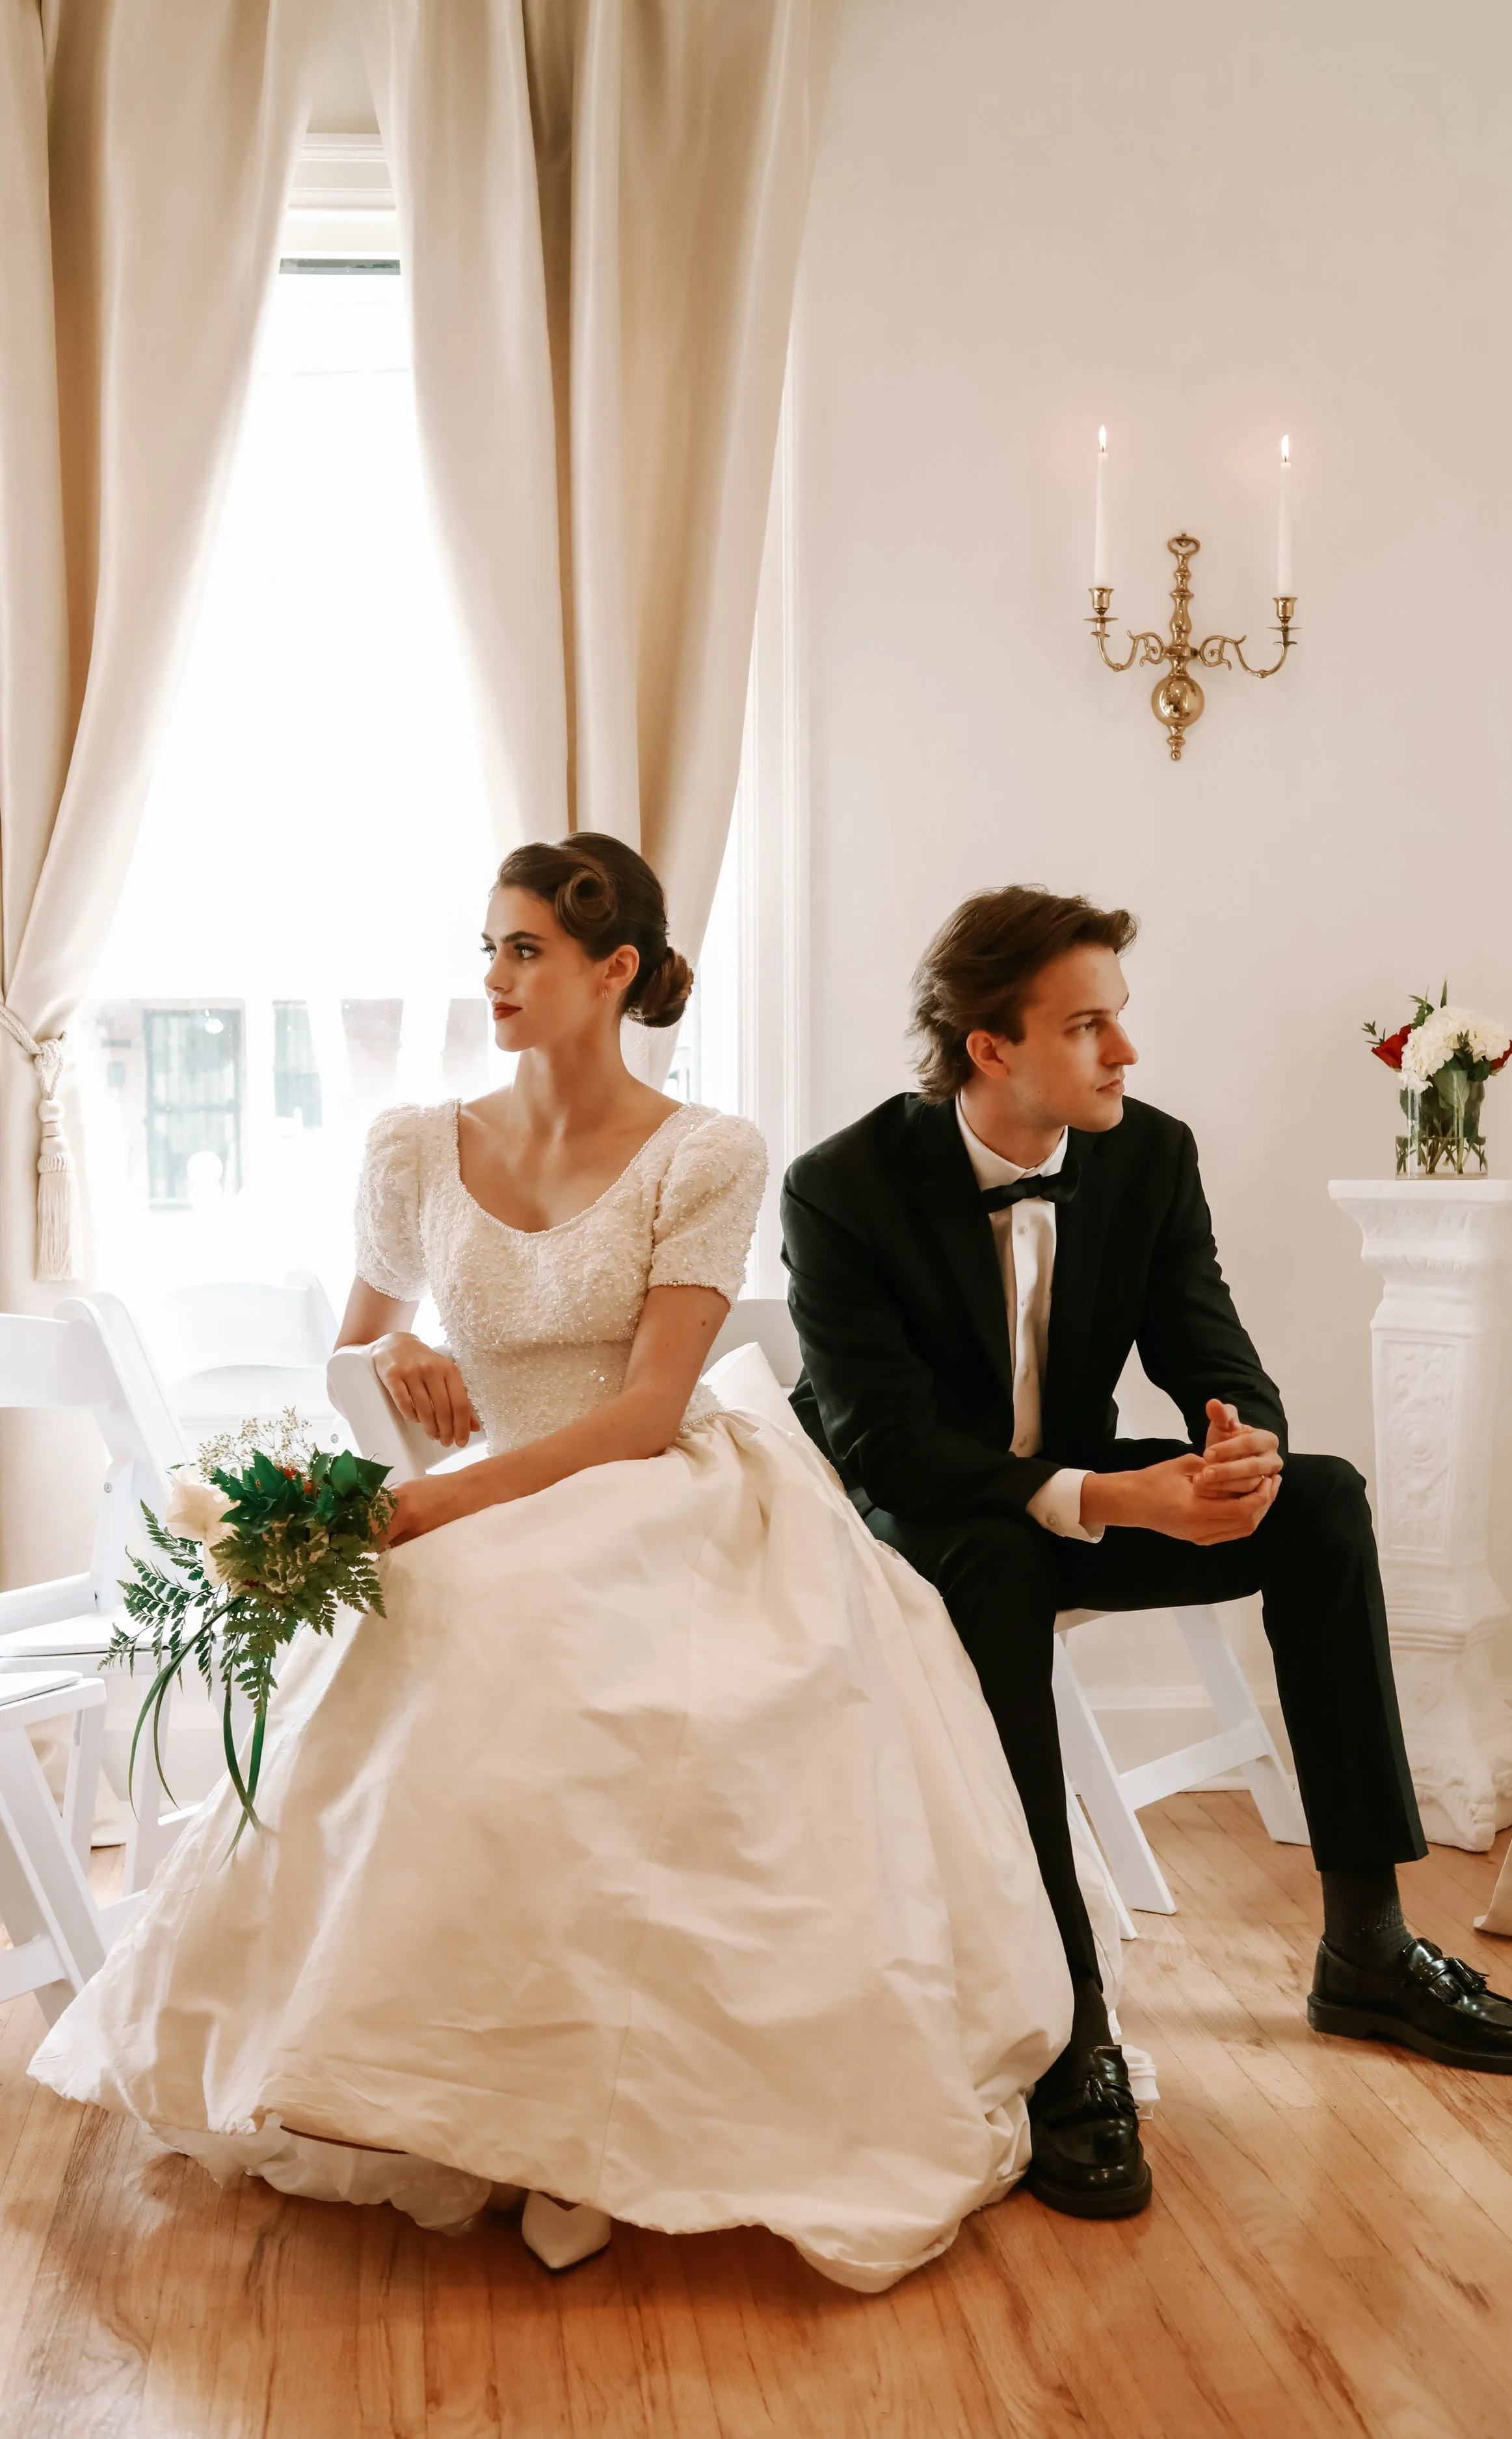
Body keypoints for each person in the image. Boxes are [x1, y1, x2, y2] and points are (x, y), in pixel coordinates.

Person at [31, 837, 1085, 2294]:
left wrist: (442, 1514)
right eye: (489, 947)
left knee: (526, 1636)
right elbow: (352, 1341)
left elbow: (649, 1409)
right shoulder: (413, 1143)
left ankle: (589, 2133)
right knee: (444, 1633)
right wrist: (394, 1348)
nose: (494, 979)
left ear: (616, 973)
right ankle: (436, 2093)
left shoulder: (706, 1149)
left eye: (525, 951)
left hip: (655, 1488)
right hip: (488, 1494)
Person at [780, 883, 1512, 2222]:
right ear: (990, 1046)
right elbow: (888, 1453)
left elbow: (1205, 1339)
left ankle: (1366, 1947)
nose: (1123, 1054)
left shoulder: (1147, 1154)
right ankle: (1066, 2030)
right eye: (1088, 1027)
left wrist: (1239, 1442)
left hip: (1081, 1494)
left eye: (1117, 1022)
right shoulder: (839, 1187)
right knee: (997, 1562)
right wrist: (1104, 1499)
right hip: (928, 1524)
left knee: (1319, 1504)